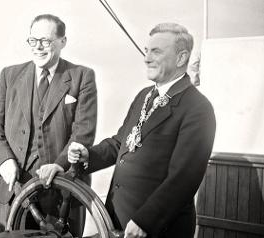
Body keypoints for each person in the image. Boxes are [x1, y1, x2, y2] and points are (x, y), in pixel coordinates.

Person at [66, 23, 216, 238]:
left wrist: (146, 221)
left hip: (156, 229)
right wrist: (89, 154)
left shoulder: (198, 108)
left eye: (156, 51)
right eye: (147, 51)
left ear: (181, 58)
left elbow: (184, 178)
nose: (146, 58)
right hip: (117, 222)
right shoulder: (143, 96)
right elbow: (121, 143)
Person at [0, 14, 97, 236]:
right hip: (18, 190)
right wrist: (4, 160)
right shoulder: (9, 75)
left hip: (64, 191)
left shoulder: (82, 77)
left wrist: (60, 165)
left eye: (45, 41)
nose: (38, 47)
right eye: (33, 41)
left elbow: (83, 132)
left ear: (62, 42)